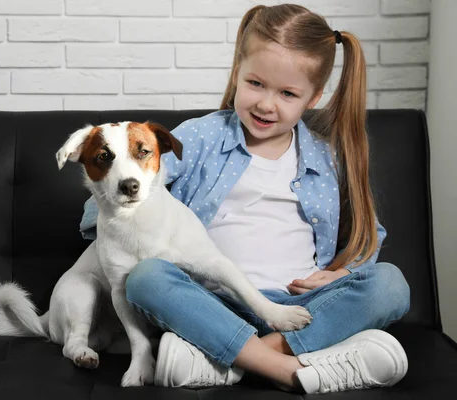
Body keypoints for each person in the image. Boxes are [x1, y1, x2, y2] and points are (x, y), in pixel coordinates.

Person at [79, 3, 410, 394]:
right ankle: (292, 368)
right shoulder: (202, 137)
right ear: (237, 72)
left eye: (288, 93)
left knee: (391, 283)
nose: (267, 103)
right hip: (213, 302)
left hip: (304, 306)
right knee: (146, 278)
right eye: (255, 84)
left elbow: (369, 234)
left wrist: (343, 273)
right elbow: (115, 196)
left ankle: (233, 359)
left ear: (313, 97)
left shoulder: (326, 157)